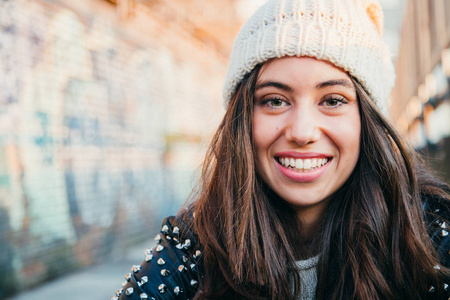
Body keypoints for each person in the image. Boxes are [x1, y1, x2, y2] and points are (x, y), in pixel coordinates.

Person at [113, 0, 450, 299]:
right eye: (274, 101)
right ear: (242, 119)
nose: (302, 132)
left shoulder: (428, 235)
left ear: (368, 120)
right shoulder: (196, 241)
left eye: (333, 100)